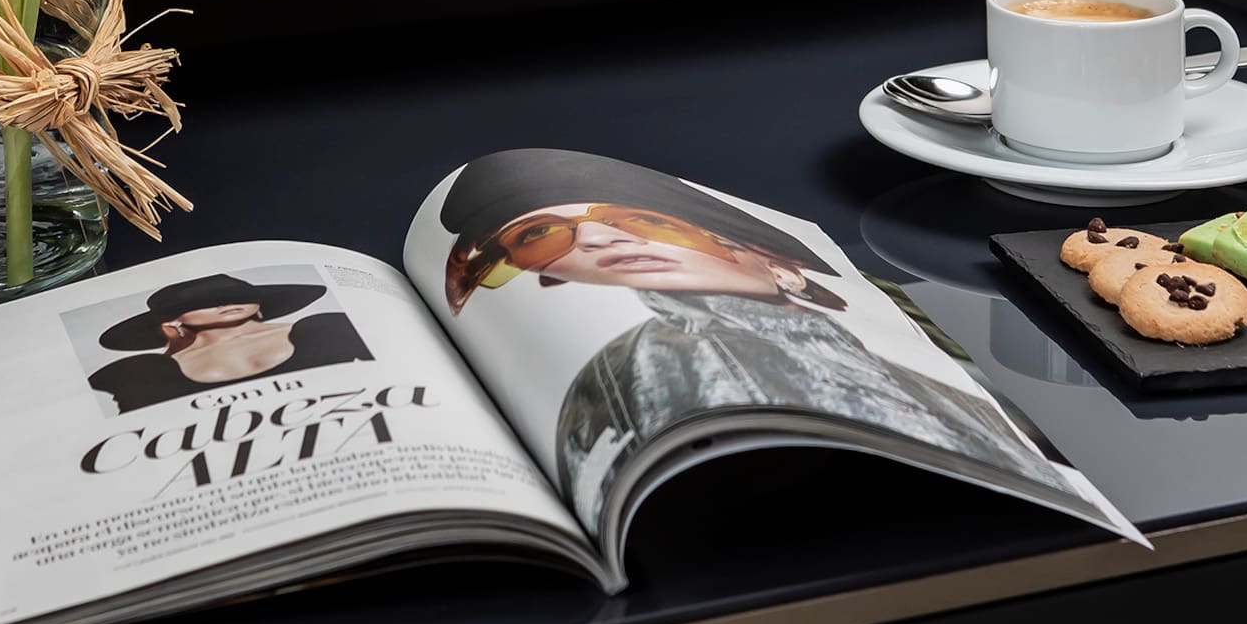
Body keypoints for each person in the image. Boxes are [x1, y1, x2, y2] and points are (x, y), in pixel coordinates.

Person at [440, 151, 1065, 531]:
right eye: (541, 236)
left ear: (773, 260)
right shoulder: (648, 365)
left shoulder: (921, 350)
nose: (599, 241)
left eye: (648, 221)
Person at [88, 272, 372, 416]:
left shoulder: (327, 327)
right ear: (171, 319)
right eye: (203, 303)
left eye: (236, 296)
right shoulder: (145, 372)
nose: (225, 303)